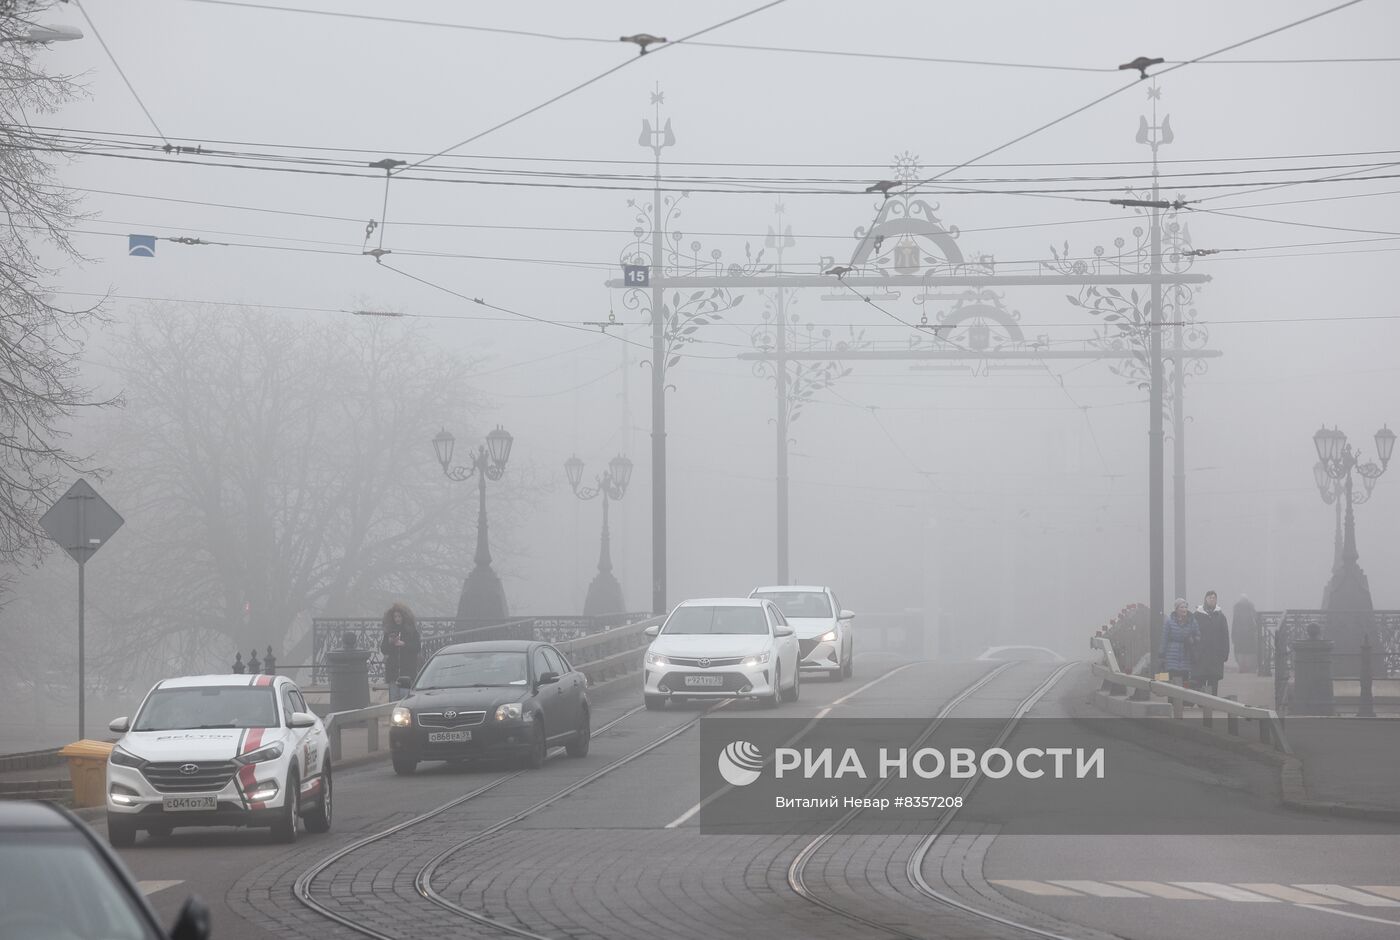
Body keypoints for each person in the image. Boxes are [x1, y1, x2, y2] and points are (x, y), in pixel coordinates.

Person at [380, 602, 421, 701]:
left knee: (405, 699)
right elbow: (384, 649)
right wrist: (390, 642)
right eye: (395, 616)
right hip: (393, 672)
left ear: (404, 617)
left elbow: (417, 647)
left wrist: (404, 644)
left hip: (407, 672)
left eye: (399, 616)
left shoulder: (412, 632)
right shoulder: (389, 631)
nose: (397, 619)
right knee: (393, 699)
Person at [1194, 590, 1230, 696]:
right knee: (1200, 679)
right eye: (1210, 597)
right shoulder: (1197, 615)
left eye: (1214, 598)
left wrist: (1225, 653)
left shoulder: (1221, 617)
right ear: (1205, 599)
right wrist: (1194, 652)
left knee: (1213, 681)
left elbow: (1225, 636)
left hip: (1216, 655)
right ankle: (1202, 702)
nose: (1212, 599)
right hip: (1201, 654)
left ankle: (1212, 702)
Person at [1158, 598, 1200, 689]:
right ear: (1176, 609)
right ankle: (1172, 701)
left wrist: (1192, 640)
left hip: (1186, 656)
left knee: (1185, 681)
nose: (1184, 609)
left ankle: (1183, 701)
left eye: (1185, 607)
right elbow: (1164, 639)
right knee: (1172, 681)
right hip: (1172, 656)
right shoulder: (1169, 622)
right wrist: (1162, 654)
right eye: (1181, 607)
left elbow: (1198, 636)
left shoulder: (1192, 621)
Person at [1232, 594, 1258, 673]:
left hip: (1240, 635)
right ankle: (1247, 668)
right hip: (1249, 635)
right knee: (1248, 652)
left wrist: (1233, 636)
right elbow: (1256, 619)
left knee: (1240, 652)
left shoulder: (1237, 609)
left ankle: (1242, 668)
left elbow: (1234, 624)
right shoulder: (1251, 608)